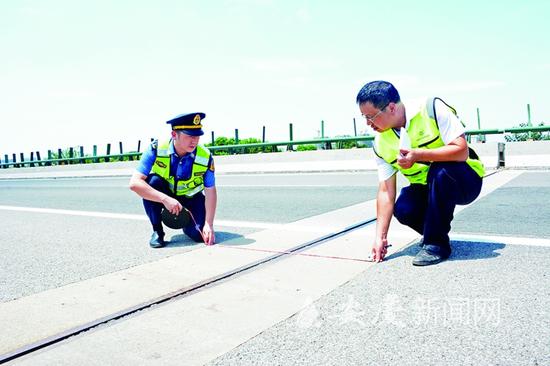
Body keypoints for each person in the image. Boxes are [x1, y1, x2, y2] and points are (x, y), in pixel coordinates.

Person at [356, 81, 484, 266]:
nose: (368, 123)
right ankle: (435, 232)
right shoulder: (380, 143)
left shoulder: (432, 109)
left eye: (371, 116)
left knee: (440, 171)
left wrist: (419, 155)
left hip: (463, 180)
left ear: (391, 107)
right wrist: (380, 237)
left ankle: (436, 245)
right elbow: (385, 191)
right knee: (404, 208)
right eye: (364, 117)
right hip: (426, 188)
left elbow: (461, 151)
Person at [129, 112, 217, 248]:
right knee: (152, 182)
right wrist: (165, 199)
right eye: (189, 136)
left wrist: (209, 224)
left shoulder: (205, 156)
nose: (194, 141)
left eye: (197, 136)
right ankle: (157, 231)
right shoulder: (156, 148)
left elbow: (210, 190)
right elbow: (134, 183)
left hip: (192, 198)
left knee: (199, 236)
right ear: (174, 135)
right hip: (166, 195)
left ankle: (188, 224)